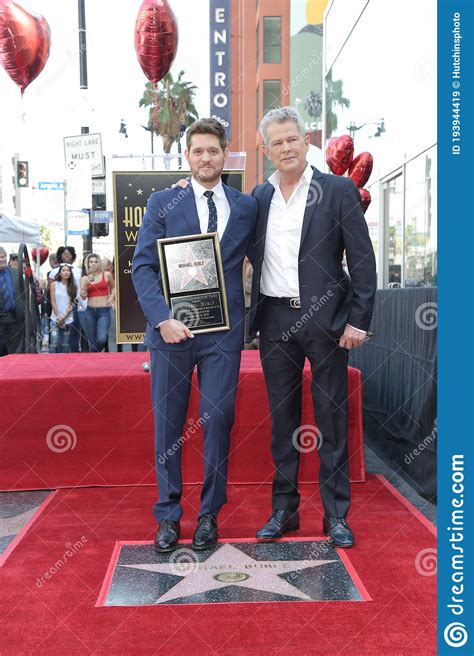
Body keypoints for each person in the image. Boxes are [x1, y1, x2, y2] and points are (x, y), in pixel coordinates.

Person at [248, 107, 377, 548]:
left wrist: (359, 320)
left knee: (332, 420)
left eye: (293, 139)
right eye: (277, 142)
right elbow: (221, 226)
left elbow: (362, 259)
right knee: (281, 423)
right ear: (267, 150)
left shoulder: (337, 190)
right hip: (275, 320)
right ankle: (284, 511)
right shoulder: (257, 198)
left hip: (327, 320)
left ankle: (335, 515)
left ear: (306, 142)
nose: (286, 148)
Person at [132, 118, 258, 553]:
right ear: (187, 156)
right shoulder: (163, 202)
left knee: (219, 418)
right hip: (171, 332)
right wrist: (162, 318)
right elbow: (142, 266)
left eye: (214, 150)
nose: (206, 158)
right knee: (168, 425)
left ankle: (208, 514)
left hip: (222, 333)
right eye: (198, 151)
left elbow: (262, 264)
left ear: (226, 154)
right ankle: (168, 515)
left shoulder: (244, 207)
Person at [48, 247, 82, 352]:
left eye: (69, 253)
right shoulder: (53, 275)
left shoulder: (78, 272)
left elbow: (75, 299)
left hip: (71, 312)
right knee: (54, 342)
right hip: (56, 314)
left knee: (68, 342)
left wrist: (64, 317)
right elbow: (52, 299)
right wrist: (59, 317)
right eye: (63, 253)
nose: (66, 272)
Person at [79, 253, 115, 352]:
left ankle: (92, 354)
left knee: (102, 339)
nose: (94, 264)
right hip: (89, 311)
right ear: (88, 264)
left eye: (96, 261)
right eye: (91, 262)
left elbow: (114, 287)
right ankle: (94, 362)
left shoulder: (107, 275)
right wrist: (86, 285)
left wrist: (111, 297)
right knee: (92, 340)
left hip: (104, 311)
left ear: (99, 263)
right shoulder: (84, 279)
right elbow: (82, 296)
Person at [0, 246, 25, 355]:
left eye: (3, 256)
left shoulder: (15, 273)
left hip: (15, 318)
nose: (1, 259)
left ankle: (13, 371)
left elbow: (24, 292)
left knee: (15, 351)